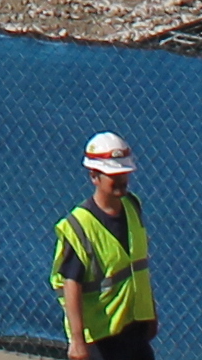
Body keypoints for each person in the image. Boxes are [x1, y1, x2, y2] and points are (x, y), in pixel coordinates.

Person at [50, 132, 155, 360]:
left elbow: (138, 270)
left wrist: (151, 313)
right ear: (94, 176)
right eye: (113, 174)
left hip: (133, 326)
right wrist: (77, 341)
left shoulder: (132, 206)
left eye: (124, 173)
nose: (121, 180)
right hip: (99, 336)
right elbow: (71, 285)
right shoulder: (80, 226)